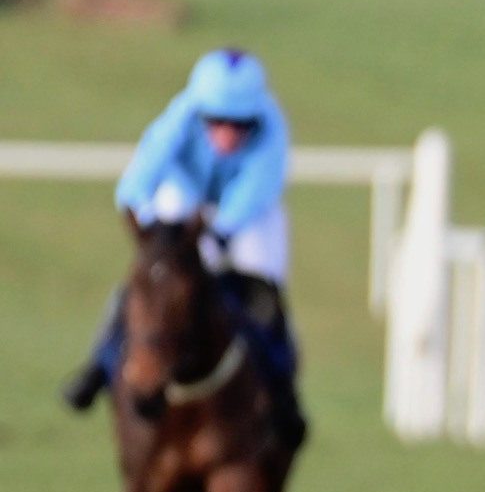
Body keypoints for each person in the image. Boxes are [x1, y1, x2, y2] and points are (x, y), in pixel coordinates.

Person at [61, 48, 308, 449]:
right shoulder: (180, 115)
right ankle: (99, 365)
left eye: (240, 124)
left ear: (256, 116)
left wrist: (220, 231)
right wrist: (149, 225)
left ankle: (283, 393)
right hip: (185, 199)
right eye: (217, 121)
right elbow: (140, 176)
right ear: (201, 113)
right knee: (151, 283)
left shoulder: (273, 127)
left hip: (245, 214)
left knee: (264, 291)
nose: (228, 132)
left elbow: (257, 189)